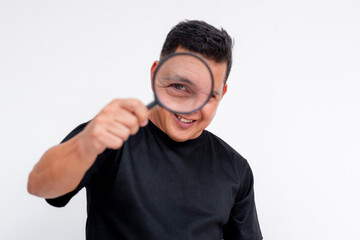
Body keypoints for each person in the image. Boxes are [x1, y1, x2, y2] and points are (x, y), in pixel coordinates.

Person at [28, 20, 263, 240]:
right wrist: (84, 144)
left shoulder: (236, 169)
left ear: (222, 94)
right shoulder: (109, 137)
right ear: (155, 75)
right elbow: (39, 185)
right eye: (179, 87)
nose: (192, 108)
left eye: (209, 95)